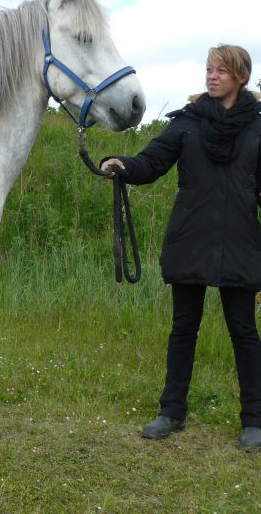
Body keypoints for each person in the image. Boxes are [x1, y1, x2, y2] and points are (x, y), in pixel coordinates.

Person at [100, 44, 261, 450]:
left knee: (244, 332)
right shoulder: (187, 123)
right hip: (191, 238)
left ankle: (255, 421)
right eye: (209, 69)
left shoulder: (258, 128)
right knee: (183, 329)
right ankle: (171, 413)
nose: (212, 76)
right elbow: (151, 162)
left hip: (240, 242)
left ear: (240, 76)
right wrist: (122, 164)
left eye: (221, 71)